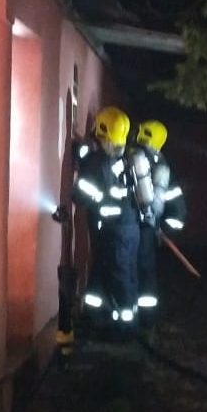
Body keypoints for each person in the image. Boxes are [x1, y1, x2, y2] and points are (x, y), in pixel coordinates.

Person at [72, 105, 141, 330]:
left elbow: (81, 194)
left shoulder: (97, 162)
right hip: (128, 228)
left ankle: (125, 328)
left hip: (113, 230)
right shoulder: (123, 158)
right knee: (109, 271)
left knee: (119, 276)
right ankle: (94, 316)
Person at [126, 119, 187, 328]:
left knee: (126, 269)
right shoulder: (162, 165)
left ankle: (128, 319)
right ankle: (147, 321)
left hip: (128, 226)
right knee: (145, 273)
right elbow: (177, 205)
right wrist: (163, 227)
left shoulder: (130, 156)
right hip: (148, 229)